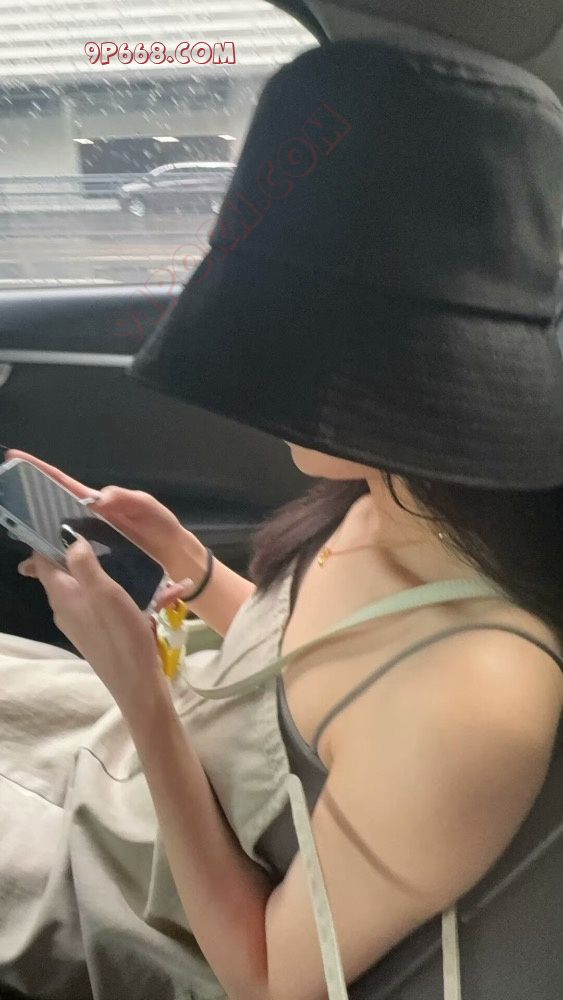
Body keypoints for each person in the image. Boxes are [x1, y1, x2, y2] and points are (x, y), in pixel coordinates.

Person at [1, 28, 563, 1000]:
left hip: (145, 895)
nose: (258, 386)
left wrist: (139, 689)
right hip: (142, 758)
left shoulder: (475, 694)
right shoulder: (392, 499)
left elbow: (266, 977)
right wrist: (188, 564)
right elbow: (302, 682)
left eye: (290, 343)